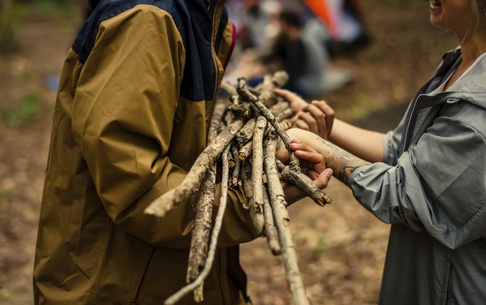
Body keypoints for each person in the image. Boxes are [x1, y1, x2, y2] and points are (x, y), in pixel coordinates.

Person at [32, 1, 331, 304]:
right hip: (116, 288)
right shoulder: (147, 19)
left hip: (166, 278)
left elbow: (190, 143)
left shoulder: (209, 16)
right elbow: (136, 186)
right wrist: (251, 200)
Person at [276, 0, 486, 303]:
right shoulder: (457, 66)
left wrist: (314, 146)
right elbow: (399, 149)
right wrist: (325, 129)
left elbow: (405, 193)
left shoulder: (479, 110)